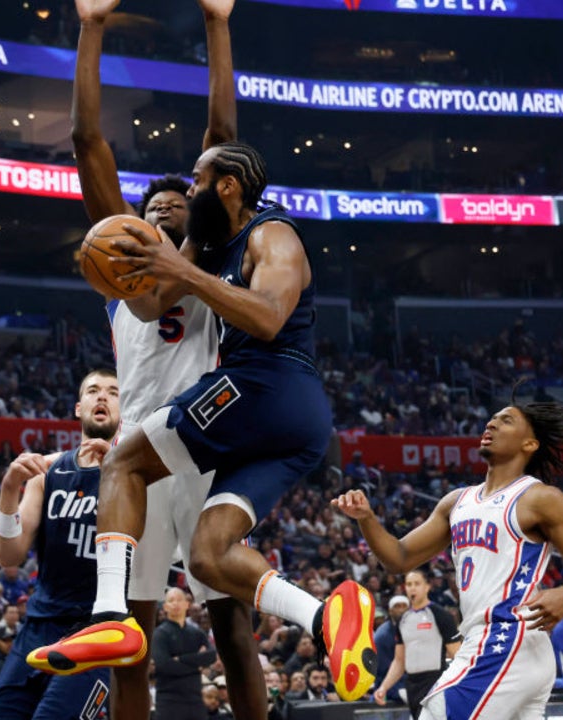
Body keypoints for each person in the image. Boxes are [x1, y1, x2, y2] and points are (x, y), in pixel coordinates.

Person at [32, 139, 373, 700]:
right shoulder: (213, 244)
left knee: (122, 461)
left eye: (196, 182)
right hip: (286, 425)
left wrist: (184, 273)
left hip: (263, 383)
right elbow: (152, 301)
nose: (190, 192)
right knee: (211, 556)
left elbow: (268, 318)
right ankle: (324, 617)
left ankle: (110, 615)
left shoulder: (271, 232)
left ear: (228, 186)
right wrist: (159, 266)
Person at [68, 0, 265, 716]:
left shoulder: (207, 262)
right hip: (138, 452)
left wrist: (218, 21)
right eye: (150, 205)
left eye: (177, 202)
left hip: (203, 440)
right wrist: (91, 27)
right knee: (130, 644)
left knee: (233, 632)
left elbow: (222, 140)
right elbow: (87, 139)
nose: (160, 207)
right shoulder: (121, 273)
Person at [333, 397, 563, 719]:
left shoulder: (539, 498)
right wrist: (367, 519)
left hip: (506, 637)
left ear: (530, 444)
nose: (491, 423)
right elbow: (399, 558)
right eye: (492, 418)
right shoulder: (456, 502)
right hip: (492, 643)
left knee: (436, 713)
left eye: (506, 420)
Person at [0, 369, 119, 718]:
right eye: (93, 390)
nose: (102, 396)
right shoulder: (49, 473)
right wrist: (9, 488)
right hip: (40, 625)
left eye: (113, 392)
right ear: (78, 407)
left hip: (98, 630)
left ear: (125, 409)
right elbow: (8, 556)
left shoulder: (135, 473)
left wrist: (118, 472)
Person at [372, 571, 460, 717]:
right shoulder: (403, 620)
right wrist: (384, 687)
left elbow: (457, 655)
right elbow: (399, 661)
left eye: (417, 584)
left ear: (427, 587)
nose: (412, 588)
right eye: (409, 584)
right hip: (412, 685)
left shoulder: (440, 615)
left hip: (435, 683)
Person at [153, 588, 218, 720]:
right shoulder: (160, 633)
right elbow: (164, 665)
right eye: (171, 600)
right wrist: (197, 665)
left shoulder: (196, 632)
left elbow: (211, 655)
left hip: (195, 701)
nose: (175, 603)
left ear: (187, 604)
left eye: (179, 600)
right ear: (165, 607)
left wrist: (181, 659)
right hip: (169, 701)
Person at [372, 595, 409, 705]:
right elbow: (383, 671)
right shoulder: (382, 636)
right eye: (397, 606)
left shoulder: (413, 629)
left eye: (404, 606)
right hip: (390, 687)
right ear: (390, 611)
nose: (401, 610)